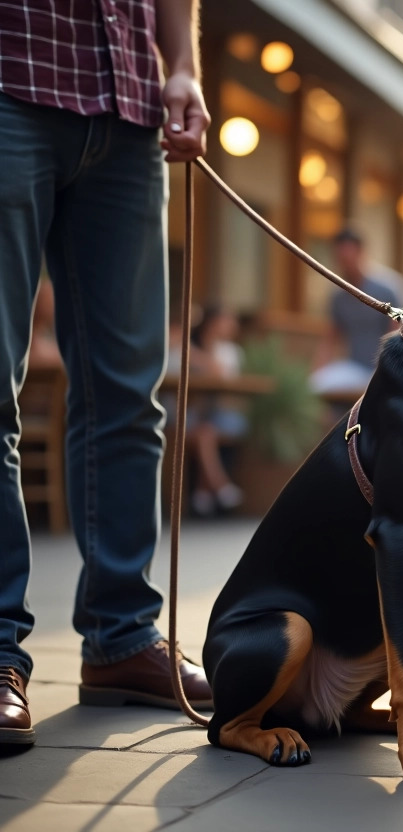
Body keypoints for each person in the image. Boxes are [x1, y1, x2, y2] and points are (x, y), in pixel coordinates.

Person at [0, 0, 212, 748]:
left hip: (129, 106)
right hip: (12, 75)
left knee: (129, 397)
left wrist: (182, 66)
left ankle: (122, 640)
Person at [309, 227, 403, 394]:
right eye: (340, 259)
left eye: (348, 258)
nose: (344, 264)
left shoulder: (388, 288)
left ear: (361, 252)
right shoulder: (338, 296)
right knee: (317, 385)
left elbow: (397, 334)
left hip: (387, 370)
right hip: (355, 367)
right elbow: (330, 339)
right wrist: (318, 372)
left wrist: (385, 371)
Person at [184, 306, 247, 516]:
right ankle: (220, 487)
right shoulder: (185, 347)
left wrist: (195, 356)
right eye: (227, 320)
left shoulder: (231, 351)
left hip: (220, 414)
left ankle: (203, 494)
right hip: (188, 414)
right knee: (204, 432)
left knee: (206, 432)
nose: (232, 325)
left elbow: (223, 375)